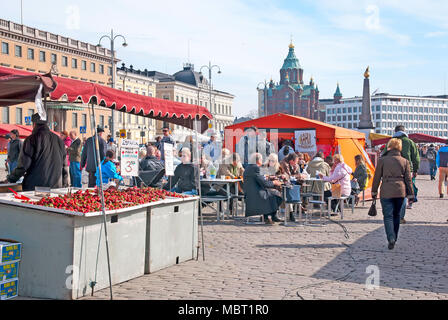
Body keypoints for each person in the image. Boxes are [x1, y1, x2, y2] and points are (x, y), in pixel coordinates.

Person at [4, 113, 68, 191]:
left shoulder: (31, 139)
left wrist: (11, 179)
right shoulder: (59, 140)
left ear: (34, 124)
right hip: (56, 186)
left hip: (35, 186)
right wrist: (65, 184)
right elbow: (65, 165)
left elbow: (24, 165)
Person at [371, 138, 414, 250]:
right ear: (399, 148)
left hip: (386, 190)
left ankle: (391, 237)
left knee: (388, 216)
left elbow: (376, 178)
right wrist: (410, 195)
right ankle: (394, 237)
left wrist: (374, 191)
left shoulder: (382, 160)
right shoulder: (405, 161)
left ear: (389, 147)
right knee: (396, 215)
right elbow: (408, 180)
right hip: (400, 191)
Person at [382, 125, 420, 222]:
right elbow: (416, 158)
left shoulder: (390, 142)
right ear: (404, 131)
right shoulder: (410, 142)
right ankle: (400, 216)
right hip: (406, 170)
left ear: (395, 131)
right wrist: (415, 170)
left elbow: (383, 156)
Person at [243, 152, 283, 224]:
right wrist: (274, 182)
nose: (262, 161)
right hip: (256, 194)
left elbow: (258, 178)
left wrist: (268, 177)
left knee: (273, 193)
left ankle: (269, 216)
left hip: (250, 193)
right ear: (258, 160)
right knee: (277, 194)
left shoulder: (249, 167)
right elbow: (264, 183)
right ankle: (271, 216)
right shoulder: (256, 168)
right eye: (261, 159)